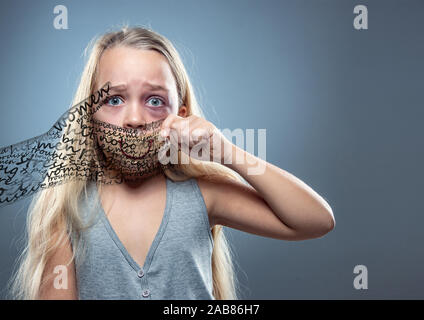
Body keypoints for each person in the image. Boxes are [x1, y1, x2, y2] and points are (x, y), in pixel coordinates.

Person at [9, 25, 335, 300]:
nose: (134, 119)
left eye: (154, 101)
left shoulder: (203, 193)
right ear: (89, 116)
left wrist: (228, 154)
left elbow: (314, 220)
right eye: (113, 99)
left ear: (180, 116)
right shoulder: (68, 207)